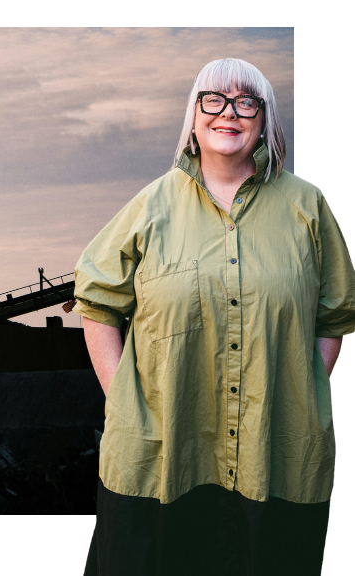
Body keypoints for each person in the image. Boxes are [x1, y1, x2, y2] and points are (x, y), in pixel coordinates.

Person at [73, 58, 355, 576]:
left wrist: (291, 389)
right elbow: (96, 303)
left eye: (246, 101)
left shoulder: (307, 208)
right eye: (214, 100)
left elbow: (332, 318)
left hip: (277, 457)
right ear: (195, 115)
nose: (229, 112)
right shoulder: (150, 207)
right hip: (163, 458)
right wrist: (126, 401)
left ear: (264, 118)